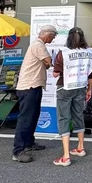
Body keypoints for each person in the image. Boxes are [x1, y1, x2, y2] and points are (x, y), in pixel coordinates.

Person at [51, 27, 92, 167]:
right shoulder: (90, 52)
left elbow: (55, 73)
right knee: (78, 115)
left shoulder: (63, 53)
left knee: (64, 118)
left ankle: (66, 156)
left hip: (64, 87)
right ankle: (80, 147)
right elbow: (91, 73)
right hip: (81, 86)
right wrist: (89, 89)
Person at [12, 25, 56, 163]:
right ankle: (18, 151)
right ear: (48, 35)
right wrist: (47, 62)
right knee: (26, 118)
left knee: (33, 116)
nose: (53, 39)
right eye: (53, 36)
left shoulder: (37, 44)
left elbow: (46, 63)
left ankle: (29, 143)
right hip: (29, 86)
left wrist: (46, 63)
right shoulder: (38, 44)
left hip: (33, 85)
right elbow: (49, 61)